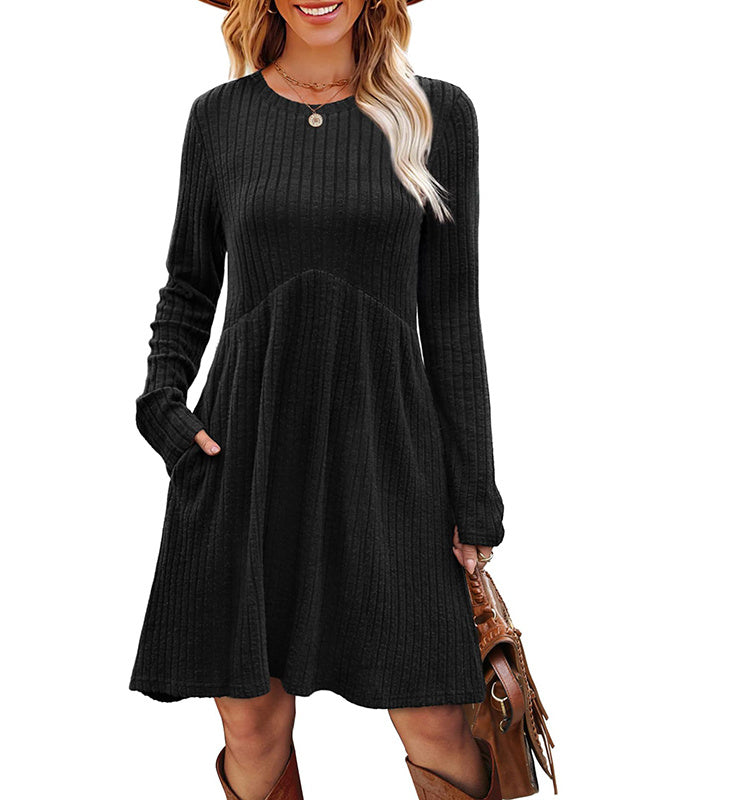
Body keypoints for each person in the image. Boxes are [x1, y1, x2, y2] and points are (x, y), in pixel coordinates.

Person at [129, 2, 507, 799]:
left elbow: (450, 313)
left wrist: (474, 493)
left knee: (436, 717)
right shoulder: (219, 118)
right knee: (251, 721)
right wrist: (162, 402)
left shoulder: (438, 113)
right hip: (246, 450)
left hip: (391, 452)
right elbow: (189, 285)